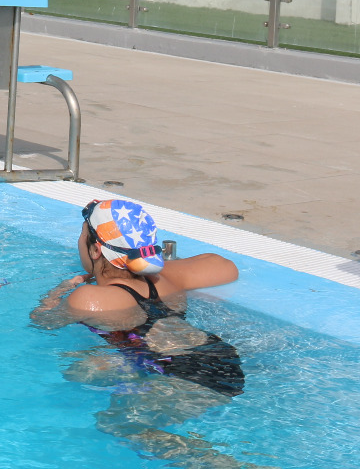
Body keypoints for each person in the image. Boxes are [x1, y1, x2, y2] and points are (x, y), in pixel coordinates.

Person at [31, 198, 248, 468]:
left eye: (82, 234)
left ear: (97, 250)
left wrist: (60, 290)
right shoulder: (166, 279)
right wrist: (157, 266)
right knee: (88, 367)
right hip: (220, 358)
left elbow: (43, 321)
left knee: (116, 422)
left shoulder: (87, 298)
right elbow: (226, 267)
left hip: (188, 375)